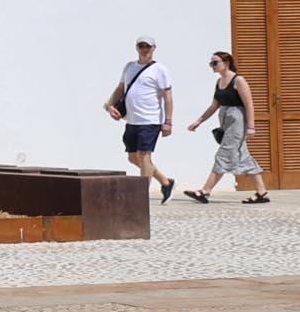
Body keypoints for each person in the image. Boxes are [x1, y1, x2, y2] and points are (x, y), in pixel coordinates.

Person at [185, 51, 272, 204]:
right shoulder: (219, 82)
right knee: (243, 156)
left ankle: (205, 191)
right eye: (211, 63)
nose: (212, 66)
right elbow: (214, 106)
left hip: (238, 121)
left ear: (226, 62)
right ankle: (262, 193)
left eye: (215, 62)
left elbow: (249, 104)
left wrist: (251, 126)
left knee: (224, 154)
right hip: (225, 120)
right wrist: (198, 121)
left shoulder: (238, 80)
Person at [105, 35, 175, 202]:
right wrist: (110, 105)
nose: (144, 49)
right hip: (132, 120)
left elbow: (168, 96)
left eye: (148, 46)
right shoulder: (129, 67)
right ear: (137, 48)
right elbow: (121, 88)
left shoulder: (160, 69)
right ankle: (166, 182)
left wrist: (168, 121)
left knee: (144, 156)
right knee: (132, 157)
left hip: (150, 120)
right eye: (141, 46)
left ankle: (142, 195)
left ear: (153, 48)